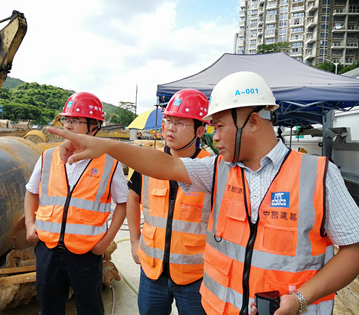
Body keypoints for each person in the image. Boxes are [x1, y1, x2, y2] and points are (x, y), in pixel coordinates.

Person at [46, 71, 359, 315]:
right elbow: (165, 165)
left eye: (219, 126)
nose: (214, 135)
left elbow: (353, 250)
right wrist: (105, 146)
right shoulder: (218, 169)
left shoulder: (317, 175)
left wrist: (301, 299)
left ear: (251, 121)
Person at [24, 92, 128, 315]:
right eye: (66, 120)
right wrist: (30, 225)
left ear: (94, 126)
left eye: (75, 121)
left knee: (89, 307)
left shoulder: (110, 162)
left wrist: (105, 242)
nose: (68, 126)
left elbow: (123, 204)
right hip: (48, 249)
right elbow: (31, 192)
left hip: (86, 253)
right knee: (49, 306)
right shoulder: (48, 157)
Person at [127, 89, 211, 314]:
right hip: (152, 273)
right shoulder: (149, 161)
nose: (170, 127)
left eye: (180, 123)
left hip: (196, 277)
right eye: (168, 120)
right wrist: (134, 242)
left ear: (200, 130)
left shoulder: (211, 168)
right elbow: (132, 198)